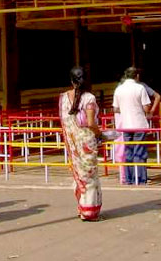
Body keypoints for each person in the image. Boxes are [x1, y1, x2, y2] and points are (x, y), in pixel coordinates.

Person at [59, 66, 103, 221]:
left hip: (74, 145)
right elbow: (91, 122)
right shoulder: (89, 98)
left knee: (80, 176)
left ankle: (81, 208)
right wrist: (100, 133)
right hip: (87, 143)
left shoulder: (63, 98)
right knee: (90, 176)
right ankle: (89, 212)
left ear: (71, 80)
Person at [114, 74, 160, 184]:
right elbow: (146, 106)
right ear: (137, 76)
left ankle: (129, 178)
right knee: (139, 152)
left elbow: (116, 109)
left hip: (126, 125)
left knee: (128, 151)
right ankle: (140, 179)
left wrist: (127, 111)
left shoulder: (119, 89)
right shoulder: (141, 87)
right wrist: (150, 111)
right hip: (139, 123)